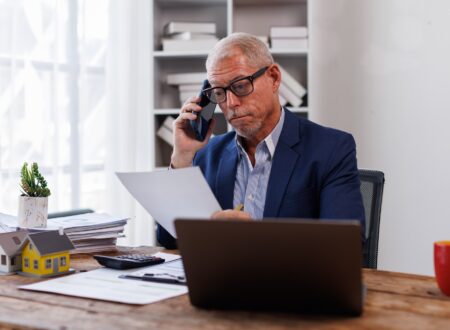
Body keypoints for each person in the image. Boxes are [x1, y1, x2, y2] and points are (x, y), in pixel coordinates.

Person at [157, 32, 365, 249]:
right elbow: (169, 238)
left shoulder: (331, 149)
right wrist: (181, 157)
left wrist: (258, 235)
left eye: (240, 86)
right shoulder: (207, 154)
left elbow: (346, 246)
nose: (231, 103)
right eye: (219, 92)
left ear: (274, 78)